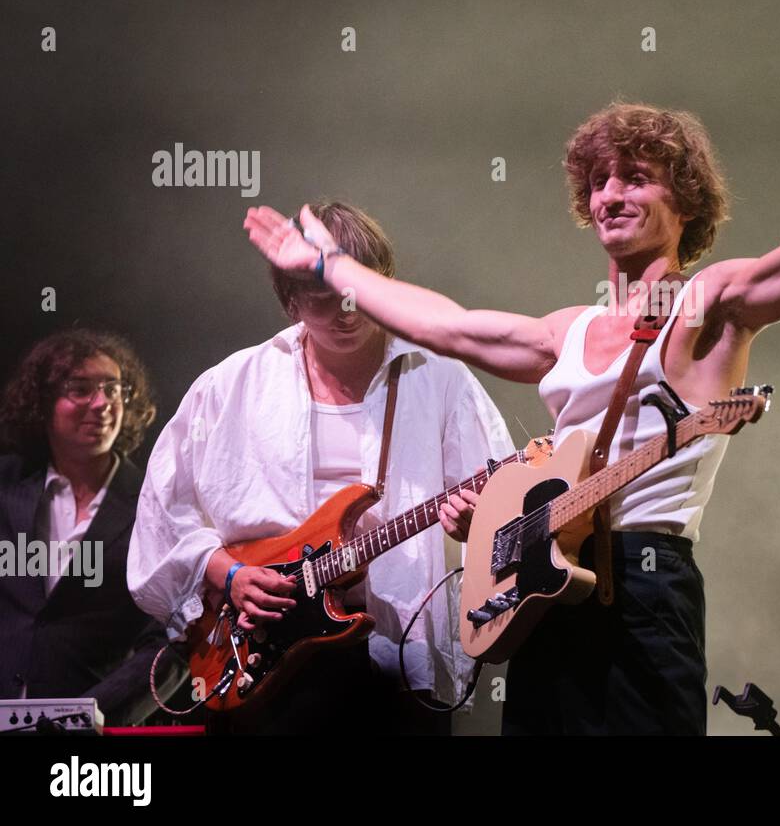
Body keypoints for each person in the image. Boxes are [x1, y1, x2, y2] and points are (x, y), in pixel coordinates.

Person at [243, 71, 780, 734]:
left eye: (635, 177)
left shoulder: (709, 301)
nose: (610, 195)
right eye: (598, 182)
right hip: (545, 589)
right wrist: (332, 269)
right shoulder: (568, 330)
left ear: (684, 200)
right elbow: (446, 324)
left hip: (647, 586)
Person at [128, 202, 515, 734]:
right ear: (290, 304)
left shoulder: (440, 378)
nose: (347, 311)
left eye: (358, 290)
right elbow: (161, 515)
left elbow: (501, 502)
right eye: (323, 297)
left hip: (392, 648)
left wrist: (477, 519)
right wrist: (230, 573)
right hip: (263, 653)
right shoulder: (233, 384)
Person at [0, 329, 184, 727]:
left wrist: (88, 714)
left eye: (113, 389)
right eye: (80, 388)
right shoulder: (5, 486)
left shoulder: (155, 505)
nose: (101, 403)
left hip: (95, 736)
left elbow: (173, 641)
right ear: (43, 401)